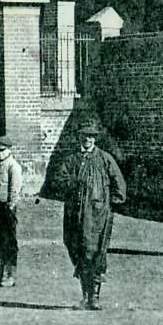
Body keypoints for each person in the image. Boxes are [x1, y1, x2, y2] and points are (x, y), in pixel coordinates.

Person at [54, 119, 127, 310]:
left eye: (91, 136)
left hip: (97, 215)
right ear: (79, 137)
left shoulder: (105, 159)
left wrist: (109, 205)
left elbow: (119, 183)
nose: (88, 140)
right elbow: (59, 181)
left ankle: (93, 297)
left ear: (95, 139)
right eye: (85, 136)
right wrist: (75, 183)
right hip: (75, 213)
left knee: (94, 251)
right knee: (75, 247)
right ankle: (85, 294)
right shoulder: (71, 160)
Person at [0, 135, 24, 287]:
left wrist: (10, 206)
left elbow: (15, 189)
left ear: (9, 150)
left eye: (2, 150)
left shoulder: (13, 167)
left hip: (6, 207)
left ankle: (10, 275)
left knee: (8, 242)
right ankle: (2, 272)